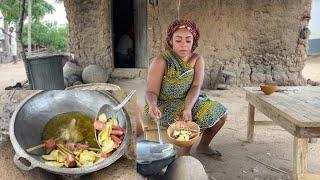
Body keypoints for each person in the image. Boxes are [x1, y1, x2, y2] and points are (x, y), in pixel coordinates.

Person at [144, 19, 228, 160]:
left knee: (220, 113)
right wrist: (152, 104)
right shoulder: (161, 61)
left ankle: (203, 146)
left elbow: (196, 86)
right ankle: (184, 154)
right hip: (163, 105)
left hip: (187, 100)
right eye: (178, 40)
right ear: (170, 41)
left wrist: (188, 107)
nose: (183, 45)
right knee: (191, 119)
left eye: (188, 41)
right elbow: (151, 92)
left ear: (193, 42)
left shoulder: (197, 59)